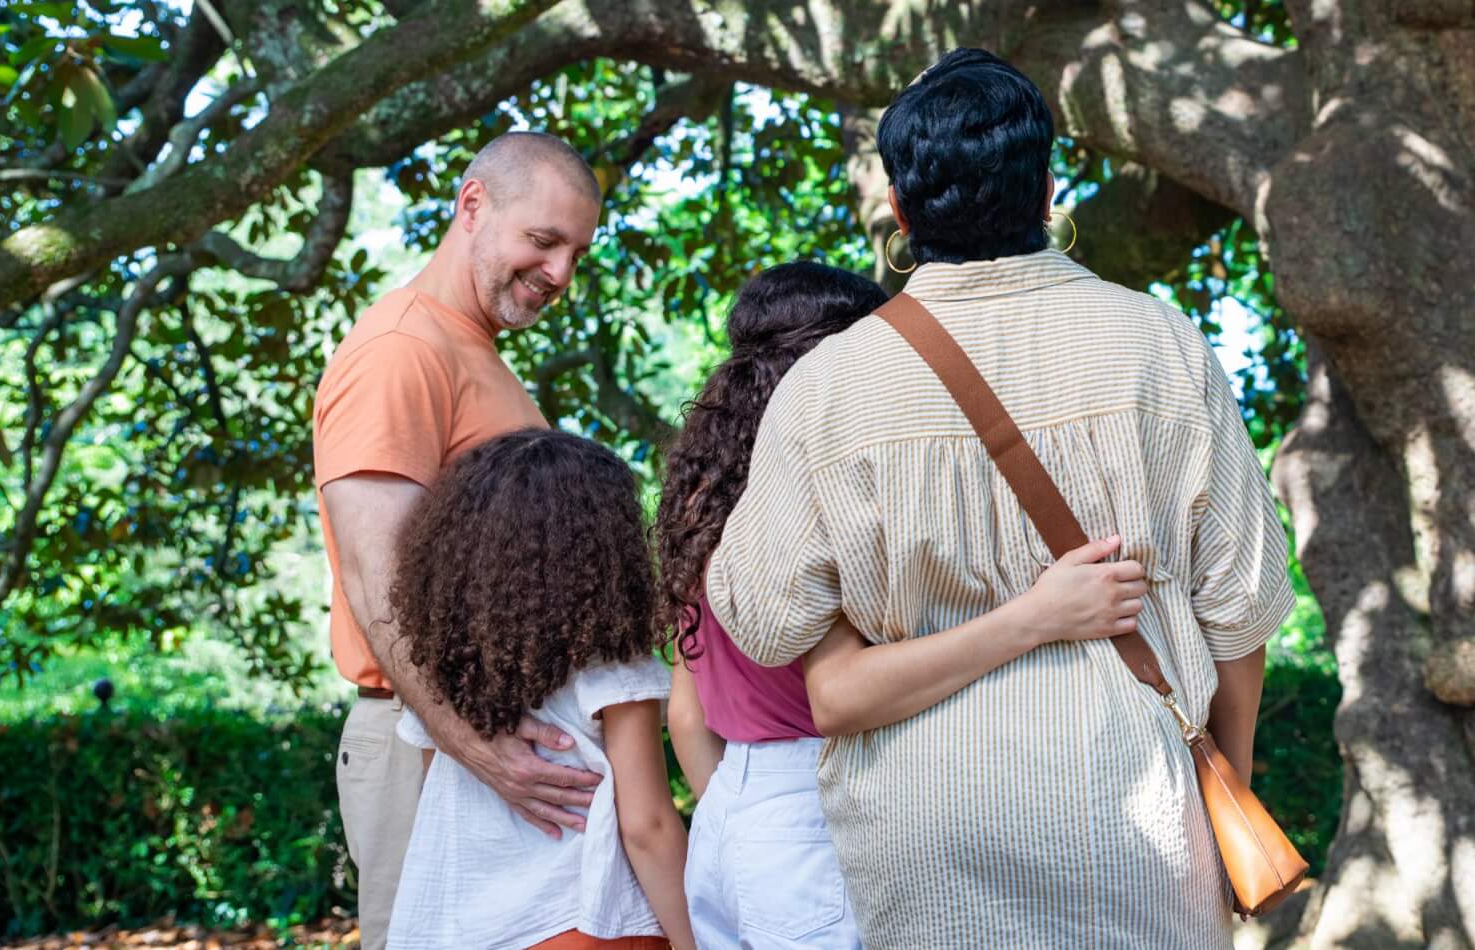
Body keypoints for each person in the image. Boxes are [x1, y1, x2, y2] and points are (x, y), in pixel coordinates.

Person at [706, 50, 1295, 950]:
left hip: (924, 831)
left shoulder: (829, 387)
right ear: (1048, 188)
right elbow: (1239, 606)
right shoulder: (1158, 345)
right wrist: (1226, 782)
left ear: (902, 211)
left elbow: (763, 617)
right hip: (1136, 815)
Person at [658, 261, 1150, 950]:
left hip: (731, 822)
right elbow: (844, 694)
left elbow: (686, 713)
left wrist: (746, 820)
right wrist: (1039, 615)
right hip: (820, 811)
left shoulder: (700, 500)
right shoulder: (817, 495)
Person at [312, 131, 605, 947]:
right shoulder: (403, 350)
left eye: (576, 252)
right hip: (430, 745)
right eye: (542, 242)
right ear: (471, 206)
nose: (560, 275)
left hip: (476, 739)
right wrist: (476, 745)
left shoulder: (471, 351)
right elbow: (380, 585)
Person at [385, 429, 695, 950]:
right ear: (606, 548)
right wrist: (699, 939)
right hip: (582, 923)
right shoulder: (613, 668)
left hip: (464, 928)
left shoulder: (446, 677)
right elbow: (647, 826)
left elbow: (437, 809)